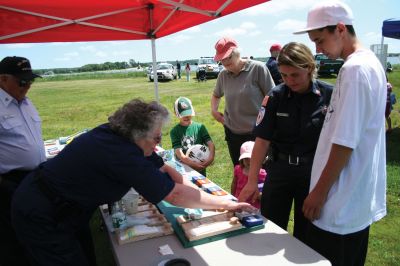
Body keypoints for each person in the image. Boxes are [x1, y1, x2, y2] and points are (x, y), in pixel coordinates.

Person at [11, 99, 254, 265]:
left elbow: (166, 171)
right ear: (138, 133)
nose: (158, 143)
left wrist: (188, 183)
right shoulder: (121, 152)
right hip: (42, 211)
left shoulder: (123, 136)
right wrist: (227, 203)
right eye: (156, 137)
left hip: (62, 205)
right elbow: (175, 196)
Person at [294, 1, 387, 265]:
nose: (318, 49)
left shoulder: (355, 69)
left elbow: (345, 142)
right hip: (352, 199)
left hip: (339, 203)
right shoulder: (370, 63)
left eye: (320, 40)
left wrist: (319, 193)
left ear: (341, 29)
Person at [238, 42, 333, 243]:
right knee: (270, 227)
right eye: (284, 75)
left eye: (295, 75)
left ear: (309, 67)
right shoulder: (275, 97)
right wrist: (252, 180)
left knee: (307, 231)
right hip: (280, 171)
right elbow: (261, 141)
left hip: (311, 173)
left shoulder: (329, 96)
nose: (289, 80)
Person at [0, 56, 46, 266]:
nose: (27, 86)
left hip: (34, 177)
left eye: (30, 80)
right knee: (13, 237)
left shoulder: (26, 102)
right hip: (9, 183)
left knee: (34, 231)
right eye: (22, 81)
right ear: (3, 79)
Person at [210, 36, 275, 170]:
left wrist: (268, 124)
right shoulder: (223, 75)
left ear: (237, 53)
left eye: (228, 57)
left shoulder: (257, 68)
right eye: (221, 59)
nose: (225, 61)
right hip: (233, 133)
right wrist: (214, 111)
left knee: (261, 171)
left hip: (257, 134)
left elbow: (272, 97)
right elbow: (216, 95)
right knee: (240, 171)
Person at [170, 97, 215, 176]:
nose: (187, 117)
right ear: (176, 114)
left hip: (200, 166)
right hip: (184, 169)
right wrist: (192, 164)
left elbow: (210, 144)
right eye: (183, 114)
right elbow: (179, 153)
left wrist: (210, 158)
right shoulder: (174, 132)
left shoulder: (200, 127)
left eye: (188, 113)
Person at [232, 141, 266, 208]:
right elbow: (234, 183)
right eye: (246, 159)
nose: (249, 161)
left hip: (253, 206)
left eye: (251, 158)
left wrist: (259, 196)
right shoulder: (238, 169)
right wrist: (232, 196)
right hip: (239, 201)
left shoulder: (262, 174)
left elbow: (262, 193)